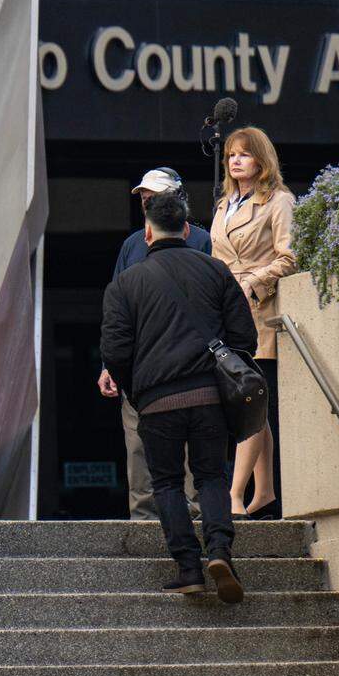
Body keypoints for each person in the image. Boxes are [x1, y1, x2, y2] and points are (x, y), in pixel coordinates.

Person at [101, 193, 257, 602]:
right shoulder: (216, 271)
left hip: (156, 401)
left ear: (147, 232)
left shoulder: (126, 283)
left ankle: (189, 568)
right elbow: (244, 338)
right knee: (211, 476)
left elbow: (115, 350)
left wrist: (137, 389)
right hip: (209, 397)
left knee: (166, 483)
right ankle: (220, 551)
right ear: (188, 229)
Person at [97, 167, 210, 520]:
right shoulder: (131, 244)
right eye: (144, 198)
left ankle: (192, 511)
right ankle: (143, 516)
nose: (147, 203)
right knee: (136, 443)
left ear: (177, 199)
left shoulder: (201, 240)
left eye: (154, 197)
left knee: (191, 441)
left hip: (187, 360)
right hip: (136, 361)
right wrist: (108, 364)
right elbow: (115, 306)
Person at [210, 127, 297, 521]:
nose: (235, 160)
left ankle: (234, 494)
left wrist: (252, 281)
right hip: (226, 310)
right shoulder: (223, 203)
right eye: (231, 154)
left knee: (250, 403)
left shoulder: (279, 201)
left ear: (262, 159)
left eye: (244, 154)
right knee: (249, 404)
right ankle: (263, 491)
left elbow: (290, 257)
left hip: (258, 310)